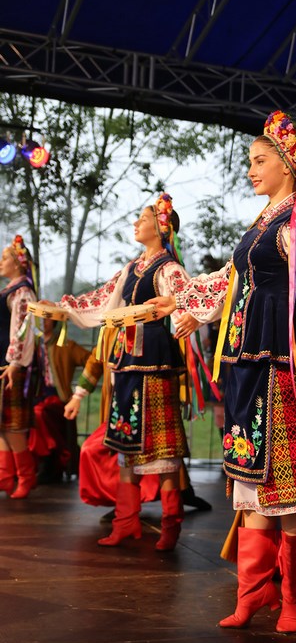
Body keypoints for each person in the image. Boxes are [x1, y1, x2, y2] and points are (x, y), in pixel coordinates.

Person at [148, 110, 296, 633]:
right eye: (250, 162)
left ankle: (293, 601)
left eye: (260, 161)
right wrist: (186, 303)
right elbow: (230, 279)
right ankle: (253, 591)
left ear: (288, 164)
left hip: (284, 367)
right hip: (249, 364)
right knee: (252, 482)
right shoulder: (261, 224)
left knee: (288, 488)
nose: (251, 170)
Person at [57, 193, 190, 550]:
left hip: (156, 364)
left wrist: (182, 315)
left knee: (163, 453)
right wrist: (64, 307)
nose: (136, 223)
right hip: (127, 364)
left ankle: (170, 525)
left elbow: (186, 306)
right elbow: (103, 301)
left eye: (142, 219)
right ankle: (126, 521)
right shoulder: (131, 268)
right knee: (125, 446)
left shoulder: (169, 270)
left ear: (161, 227)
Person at [64, 333, 211, 514]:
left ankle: (180, 496)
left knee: (165, 460)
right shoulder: (110, 332)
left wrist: (183, 391)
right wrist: (77, 396)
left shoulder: (157, 331)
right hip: (123, 411)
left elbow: (177, 363)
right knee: (106, 454)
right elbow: (95, 361)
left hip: (154, 411)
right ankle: (125, 508)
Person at [29, 318, 92, 482]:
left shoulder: (66, 345)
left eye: (48, 318)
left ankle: (48, 461)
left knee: (40, 413)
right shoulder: (32, 345)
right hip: (35, 396)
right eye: (40, 318)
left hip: (58, 397)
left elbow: (91, 360)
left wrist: (79, 387)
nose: (44, 322)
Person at [0, 234, 37, 499]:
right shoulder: (10, 289)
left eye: (4, 258)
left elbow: (22, 330)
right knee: (2, 425)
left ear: (17, 263)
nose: (0, 262)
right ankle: (5, 476)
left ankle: (25, 476)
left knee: (13, 426)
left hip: (11, 365)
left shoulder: (22, 291)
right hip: (2, 363)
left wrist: (14, 362)